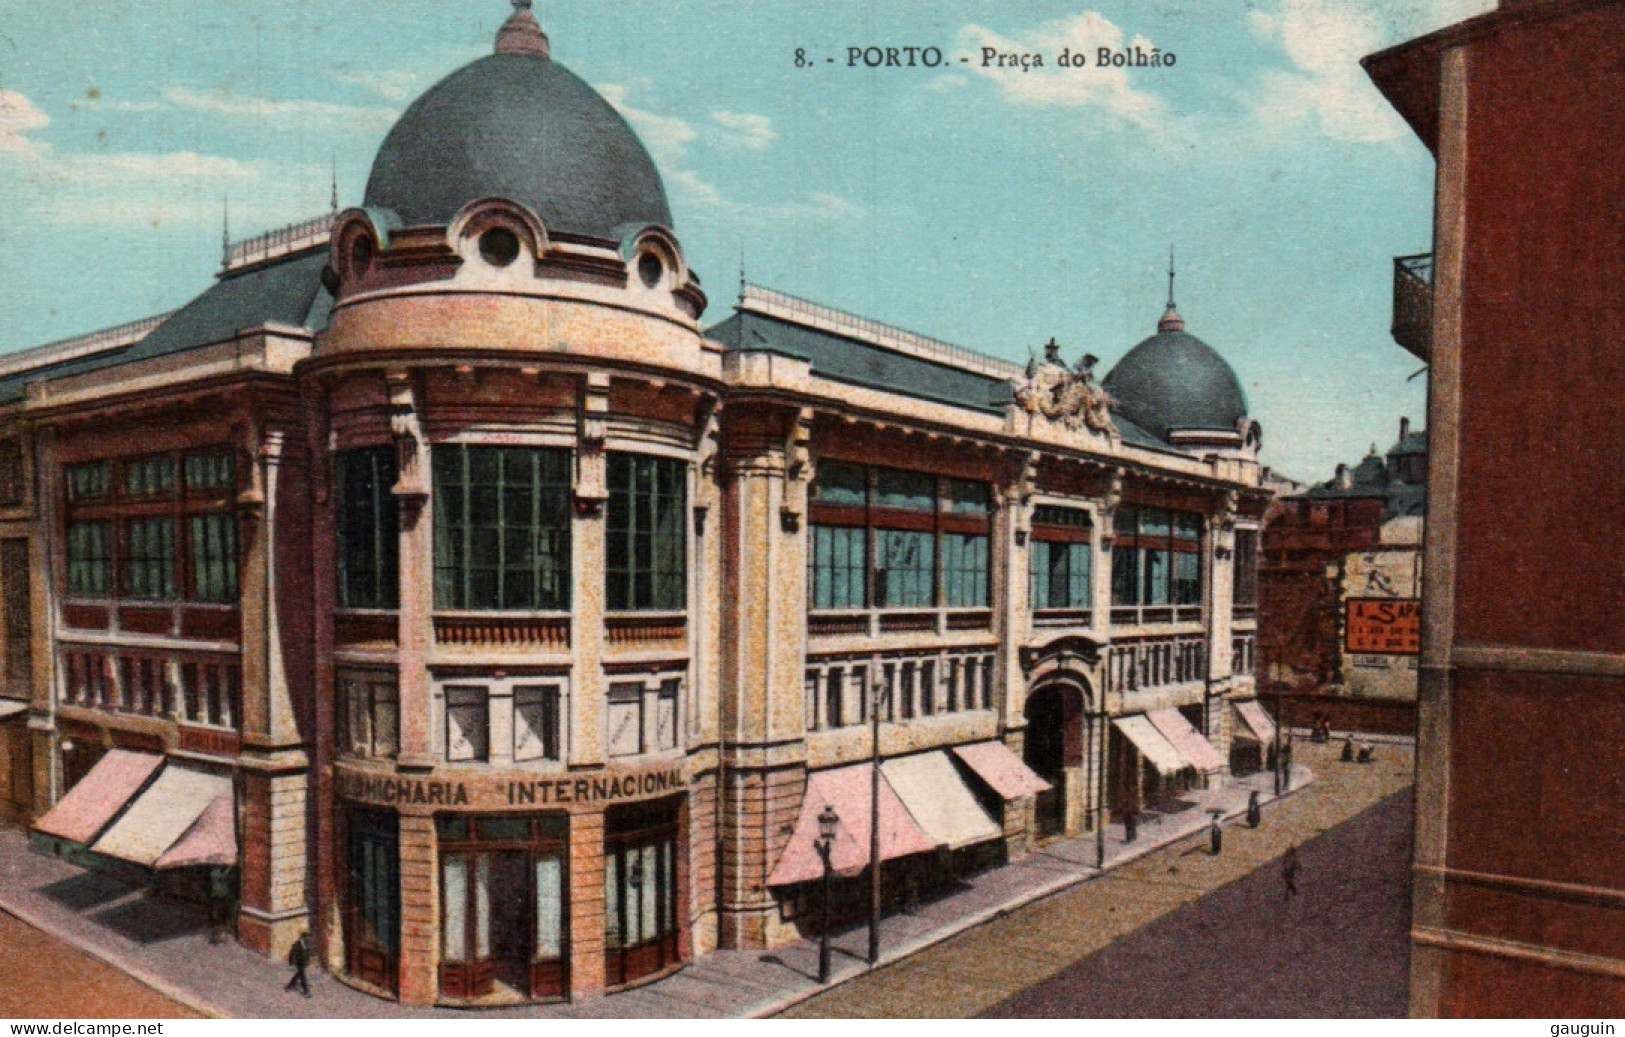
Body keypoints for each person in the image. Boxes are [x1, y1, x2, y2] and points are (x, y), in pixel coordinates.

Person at [285, 931, 312, 997]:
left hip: (303, 963)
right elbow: (293, 955)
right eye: (306, 937)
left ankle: (289, 986)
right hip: (299, 963)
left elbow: (307, 953)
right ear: (303, 937)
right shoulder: (297, 944)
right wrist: (292, 964)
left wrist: (308, 961)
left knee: (298, 975)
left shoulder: (306, 943)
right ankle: (306, 991)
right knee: (303, 977)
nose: (307, 938)